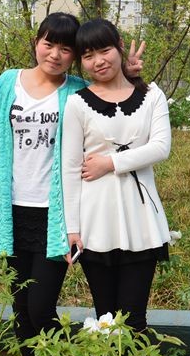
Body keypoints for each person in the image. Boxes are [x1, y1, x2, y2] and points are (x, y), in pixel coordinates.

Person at [0, 13, 86, 356]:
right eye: (49, 43)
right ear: (36, 42)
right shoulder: (7, 82)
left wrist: (130, 76)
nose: (55, 54)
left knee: (41, 305)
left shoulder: (78, 90)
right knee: (21, 304)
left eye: (65, 49)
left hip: (56, 214)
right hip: (12, 210)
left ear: (74, 56)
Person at [62, 18, 172, 335]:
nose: (99, 61)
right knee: (106, 318)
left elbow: (160, 147)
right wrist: (72, 229)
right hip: (96, 219)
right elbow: (70, 168)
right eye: (88, 55)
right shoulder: (76, 104)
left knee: (135, 319)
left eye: (105, 50)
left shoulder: (152, 95)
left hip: (141, 218)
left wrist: (110, 162)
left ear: (120, 47)